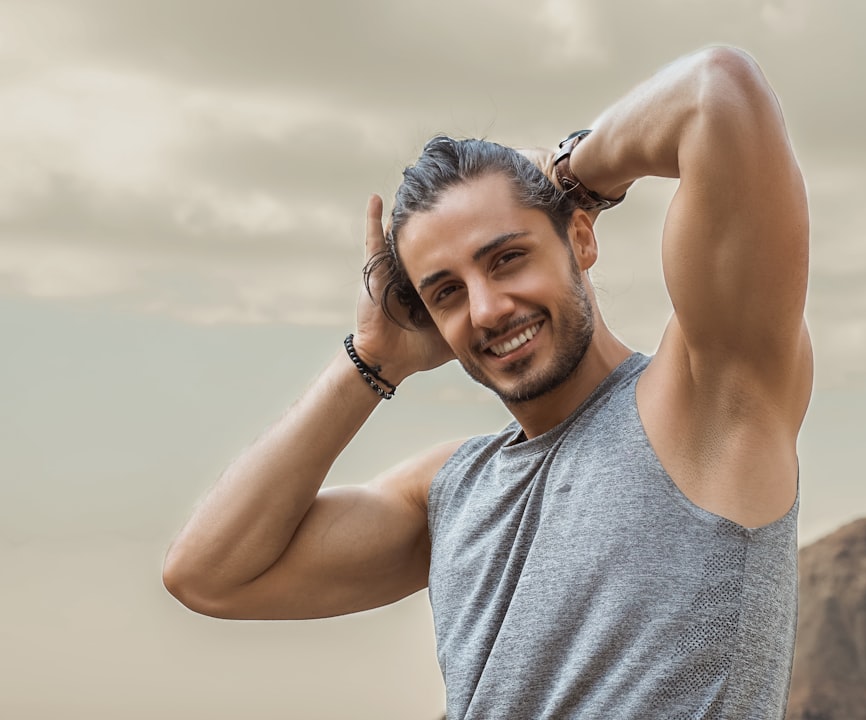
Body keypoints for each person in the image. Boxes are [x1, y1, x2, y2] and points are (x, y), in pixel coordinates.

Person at [164, 44, 812, 719]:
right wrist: (372, 359)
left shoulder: (706, 400)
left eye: (507, 258)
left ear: (581, 239)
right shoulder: (451, 491)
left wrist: (569, 174)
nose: (486, 308)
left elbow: (718, 92)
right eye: (446, 292)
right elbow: (208, 574)